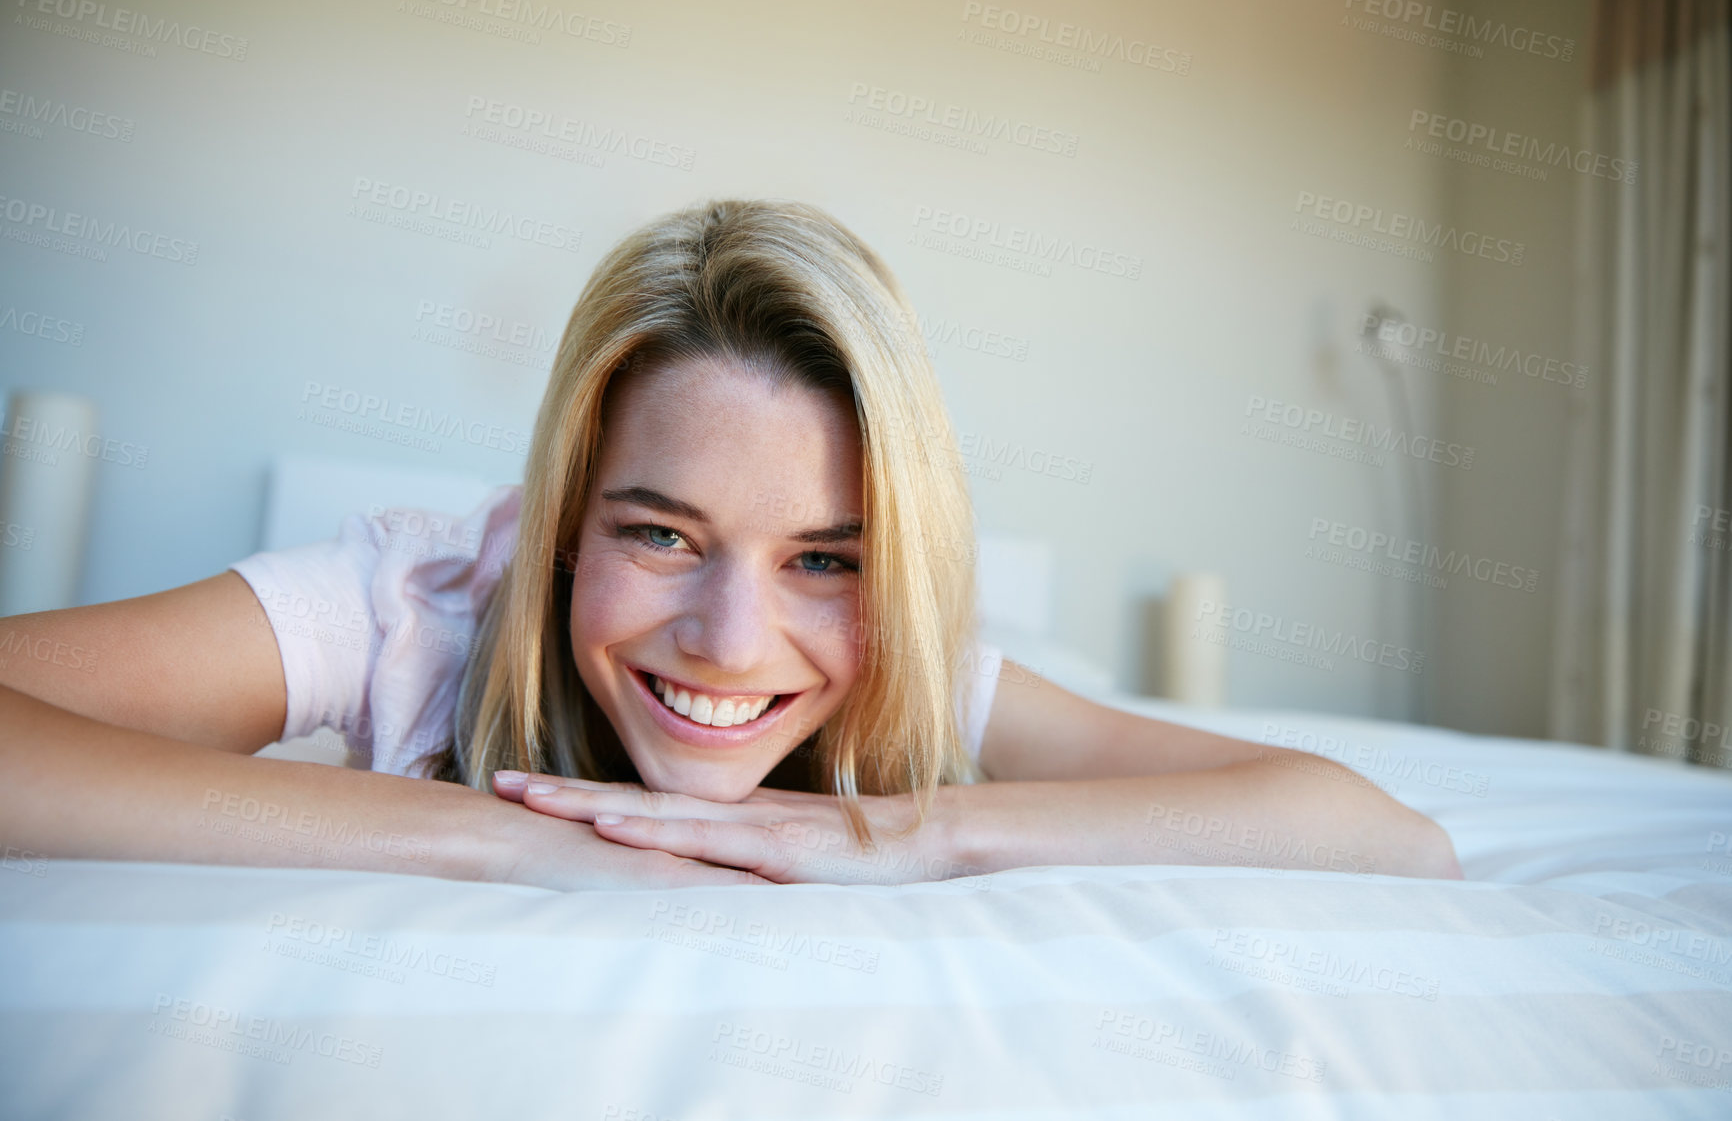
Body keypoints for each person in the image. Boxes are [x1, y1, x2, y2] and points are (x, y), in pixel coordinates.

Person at [0, 199, 1464, 889]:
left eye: (824, 557)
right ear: (565, 521)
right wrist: (506, 844)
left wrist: (909, 829)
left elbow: (1386, 835)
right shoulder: (414, 598)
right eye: (661, 533)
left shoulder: (899, 671)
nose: (729, 639)